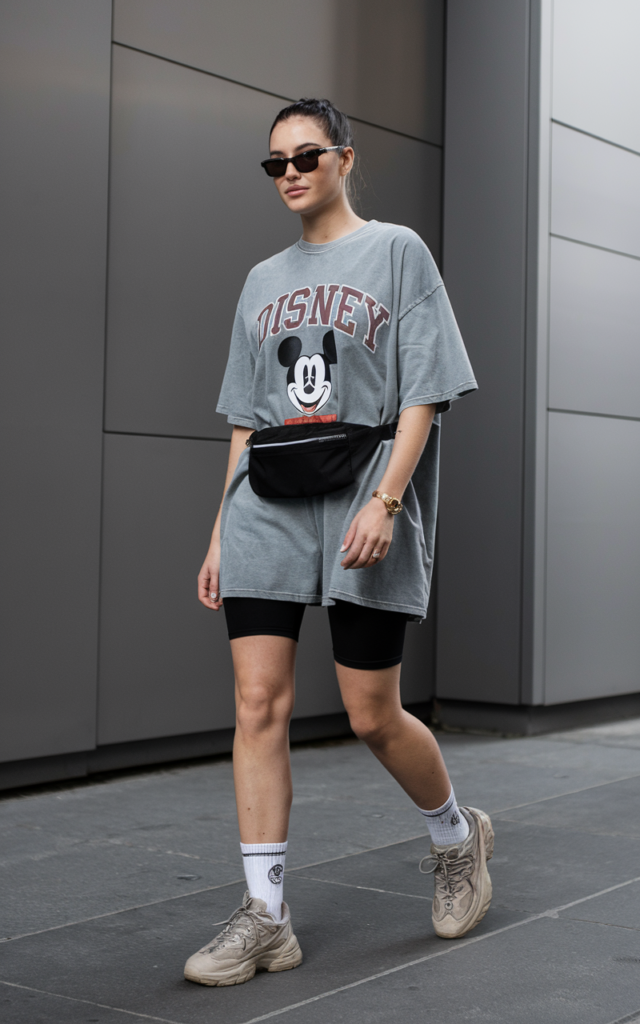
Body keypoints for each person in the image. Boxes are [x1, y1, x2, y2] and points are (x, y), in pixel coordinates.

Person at [185, 98, 493, 988]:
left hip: (363, 493)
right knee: (257, 704)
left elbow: (424, 393)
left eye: (306, 156)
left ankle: (455, 834)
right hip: (266, 507)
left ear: (345, 159)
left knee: (369, 713)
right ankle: (266, 915)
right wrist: (218, 534)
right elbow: (245, 420)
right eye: (276, 162)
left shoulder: (397, 253)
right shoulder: (259, 279)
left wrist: (389, 501)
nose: (290, 173)